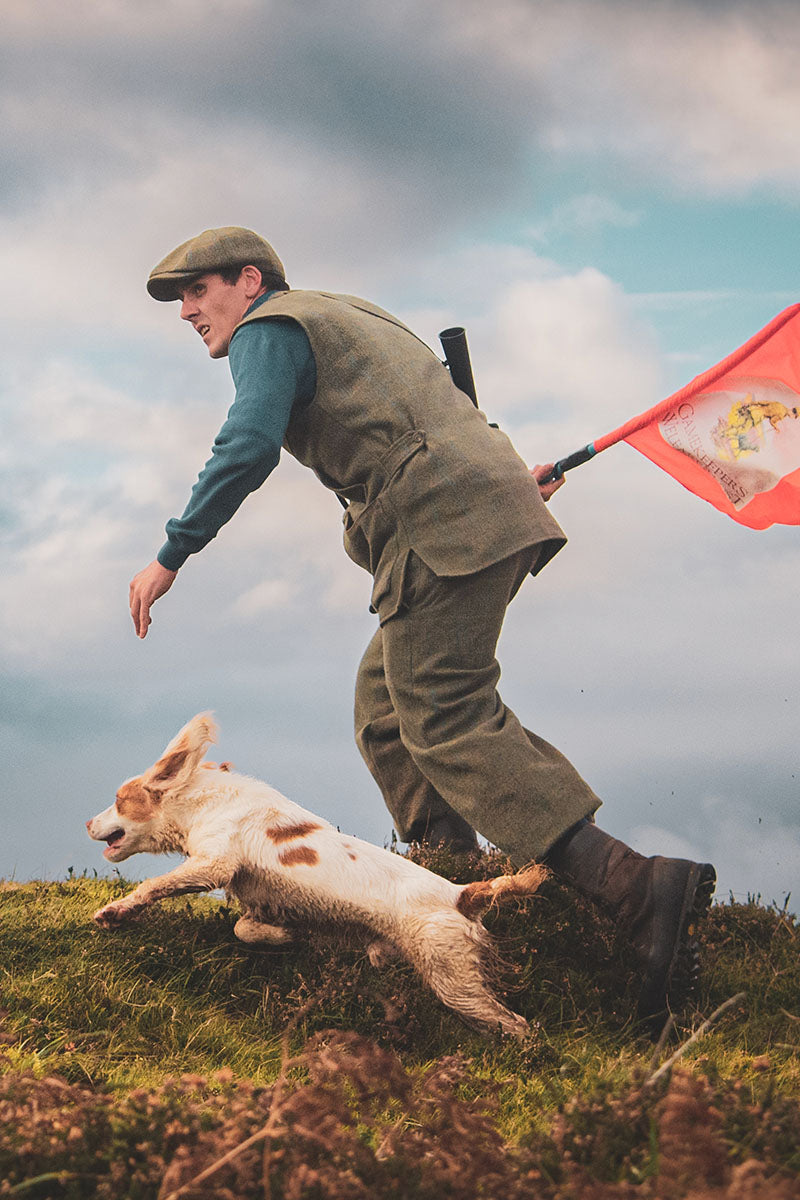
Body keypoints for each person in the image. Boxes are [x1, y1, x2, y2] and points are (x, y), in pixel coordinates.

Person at [130, 226, 715, 1028]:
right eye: (181, 298)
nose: (188, 311)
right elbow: (439, 416)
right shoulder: (348, 314)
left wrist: (173, 552)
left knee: (442, 713)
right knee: (386, 710)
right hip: (476, 506)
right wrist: (499, 479)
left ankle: (634, 887)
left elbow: (249, 443)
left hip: (441, 525)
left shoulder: (269, 329)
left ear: (250, 281)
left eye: (199, 291)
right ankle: (452, 884)